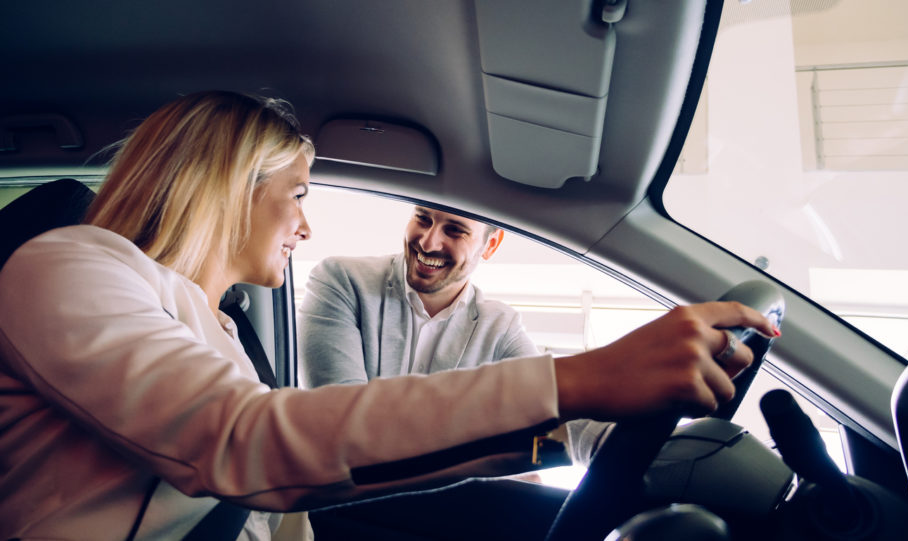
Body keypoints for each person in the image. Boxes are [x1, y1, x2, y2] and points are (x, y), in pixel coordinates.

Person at [0, 91, 779, 540]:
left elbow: (320, 477)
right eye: (300, 193)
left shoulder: (225, 339)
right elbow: (245, 443)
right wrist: (577, 377)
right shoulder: (68, 264)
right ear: (234, 183)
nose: (305, 225)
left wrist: (558, 425)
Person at [297, 205, 538, 388]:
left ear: (491, 245)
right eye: (423, 219)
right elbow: (340, 413)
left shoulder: (501, 329)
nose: (428, 243)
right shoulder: (342, 281)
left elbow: (552, 414)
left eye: (455, 231)